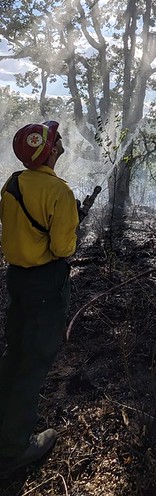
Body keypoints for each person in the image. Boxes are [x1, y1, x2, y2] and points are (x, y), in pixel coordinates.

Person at [0, 121, 79, 477]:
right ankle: (14, 448)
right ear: (51, 152)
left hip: (16, 279)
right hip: (45, 285)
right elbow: (62, 248)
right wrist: (73, 231)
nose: (60, 140)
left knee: (15, 352)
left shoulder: (12, 183)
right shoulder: (60, 192)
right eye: (55, 139)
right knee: (33, 363)